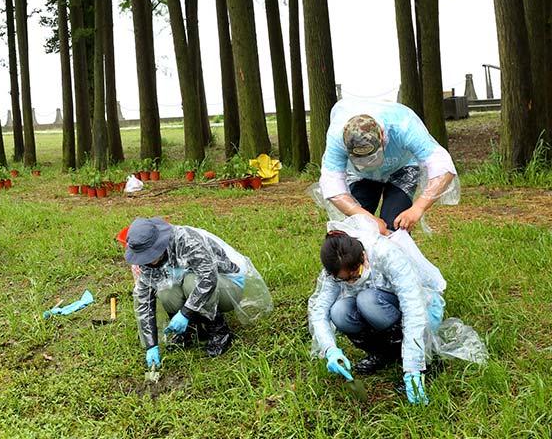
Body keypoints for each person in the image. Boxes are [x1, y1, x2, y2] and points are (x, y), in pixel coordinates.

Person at [308, 215, 487, 405]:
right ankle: (384, 354)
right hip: (380, 310)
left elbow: (414, 308)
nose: (352, 282)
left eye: (356, 274)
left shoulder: (385, 254)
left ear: (363, 256)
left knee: (367, 300)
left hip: (423, 309)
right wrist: (330, 349)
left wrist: (413, 367)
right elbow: (319, 310)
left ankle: (425, 363)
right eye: (344, 280)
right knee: (339, 311)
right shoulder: (335, 268)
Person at [124, 217, 272, 368]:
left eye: (150, 255)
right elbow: (144, 304)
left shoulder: (185, 240)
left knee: (191, 282)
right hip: (194, 288)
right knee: (165, 292)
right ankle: (187, 331)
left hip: (227, 285)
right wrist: (151, 346)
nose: (148, 261)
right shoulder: (145, 265)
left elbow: (209, 277)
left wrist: (185, 313)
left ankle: (218, 331)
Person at [317, 99, 458, 235]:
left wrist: (417, 208)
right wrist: (366, 217)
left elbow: (443, 166)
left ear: (383, 137)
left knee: (396, 224)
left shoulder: (403, 126)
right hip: (361, 174)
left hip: (402, 167)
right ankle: (366, 259)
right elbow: (332, 183)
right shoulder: (338, 137)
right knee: (360, 228)